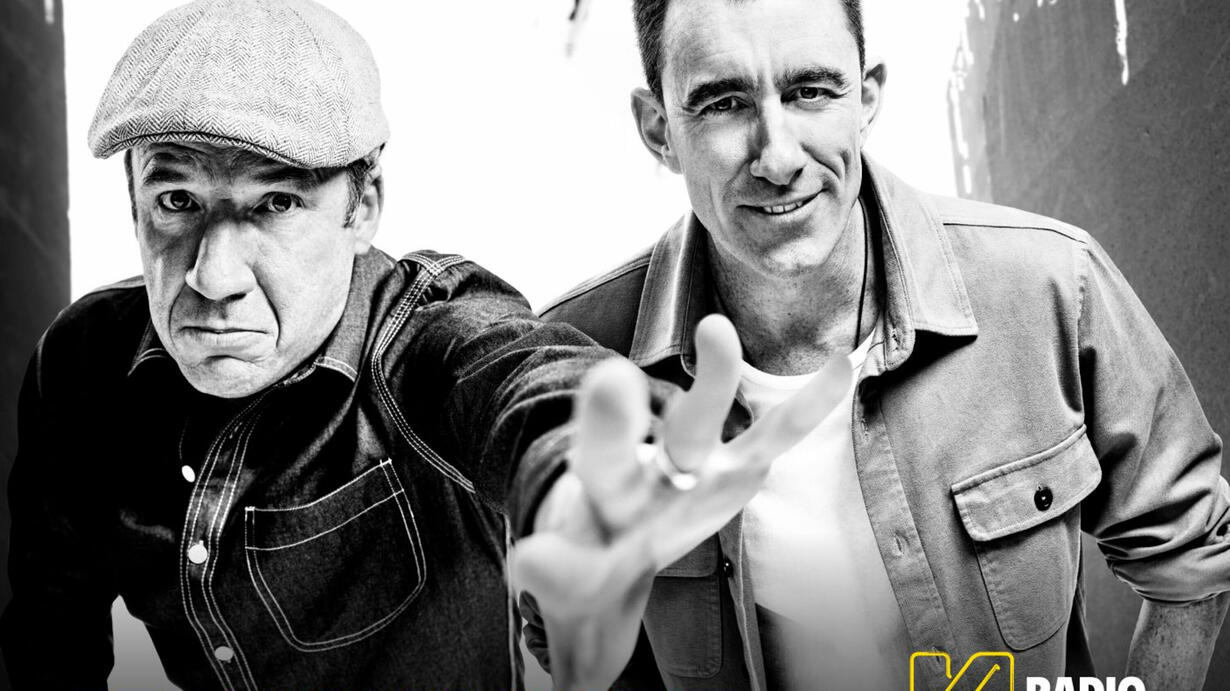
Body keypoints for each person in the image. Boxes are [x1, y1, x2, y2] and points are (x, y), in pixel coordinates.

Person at [0, 0, 830, 687]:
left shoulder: (426, 333)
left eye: (275, 205)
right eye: (177, 200)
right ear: (133, 198)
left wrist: (578, 487)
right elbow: (48, 641)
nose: (213, 277)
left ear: (363, 207)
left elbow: (515, 377)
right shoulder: (80, 368)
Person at [512, 0, 1230, 689]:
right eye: (724, 103)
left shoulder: (1049, 286)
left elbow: (1194, 556)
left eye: (810, 91)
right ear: (658, 128)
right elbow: (564, 635)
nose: (778, 158)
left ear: (867, 96)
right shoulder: (574, 365)